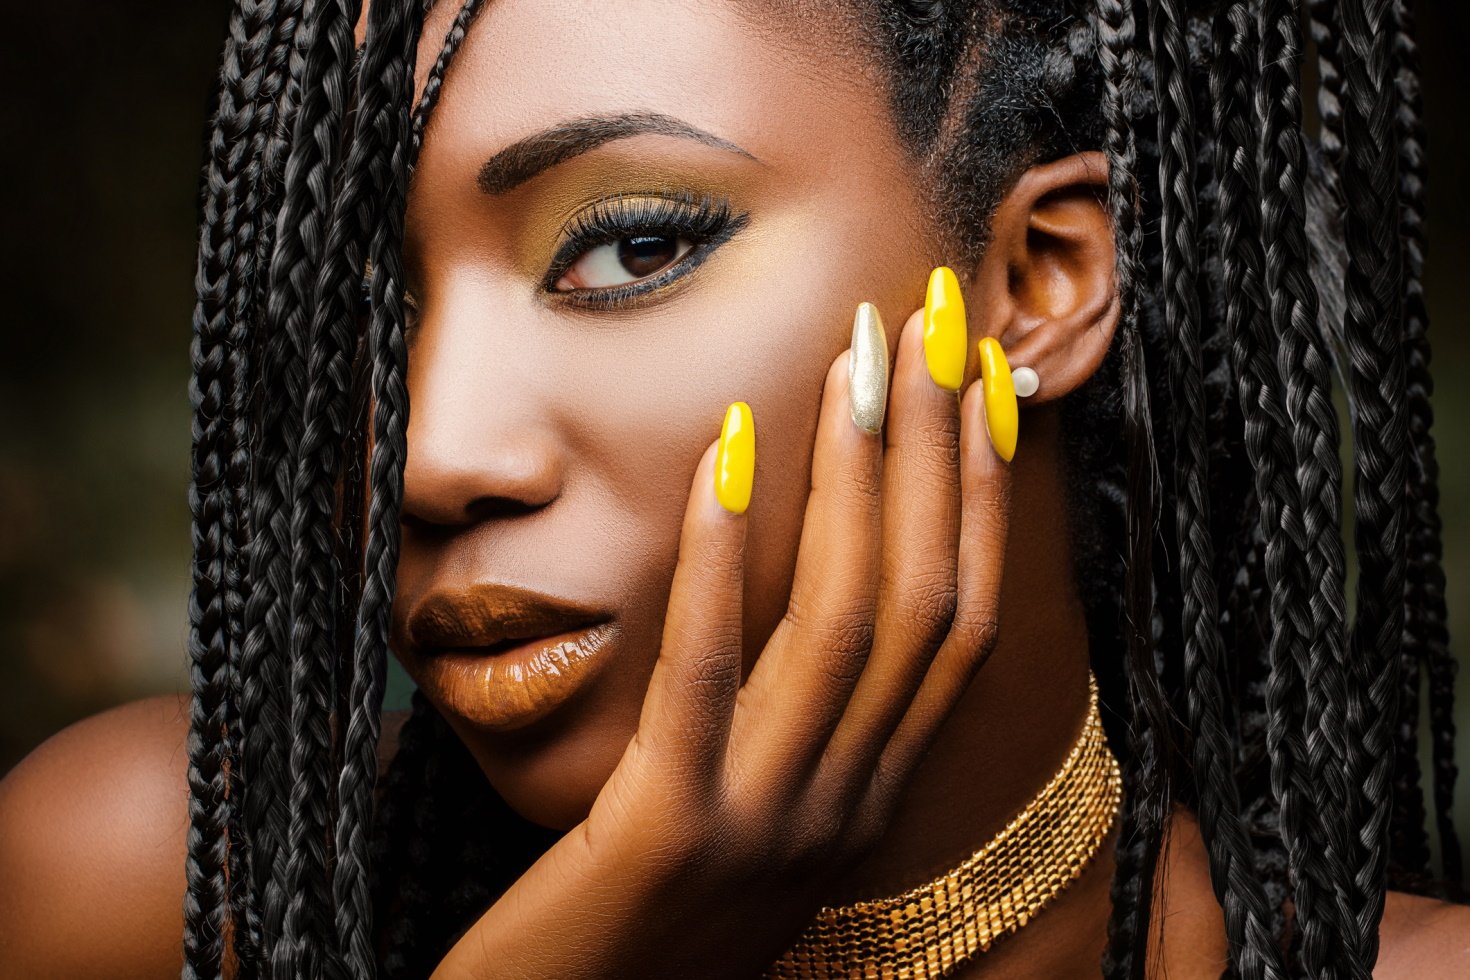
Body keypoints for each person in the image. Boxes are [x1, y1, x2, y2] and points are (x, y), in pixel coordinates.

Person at [0, 0, 1465, 976]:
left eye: (635, 247)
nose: (432, 459)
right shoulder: (137, 888)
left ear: (1038, 279)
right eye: (357, 322)